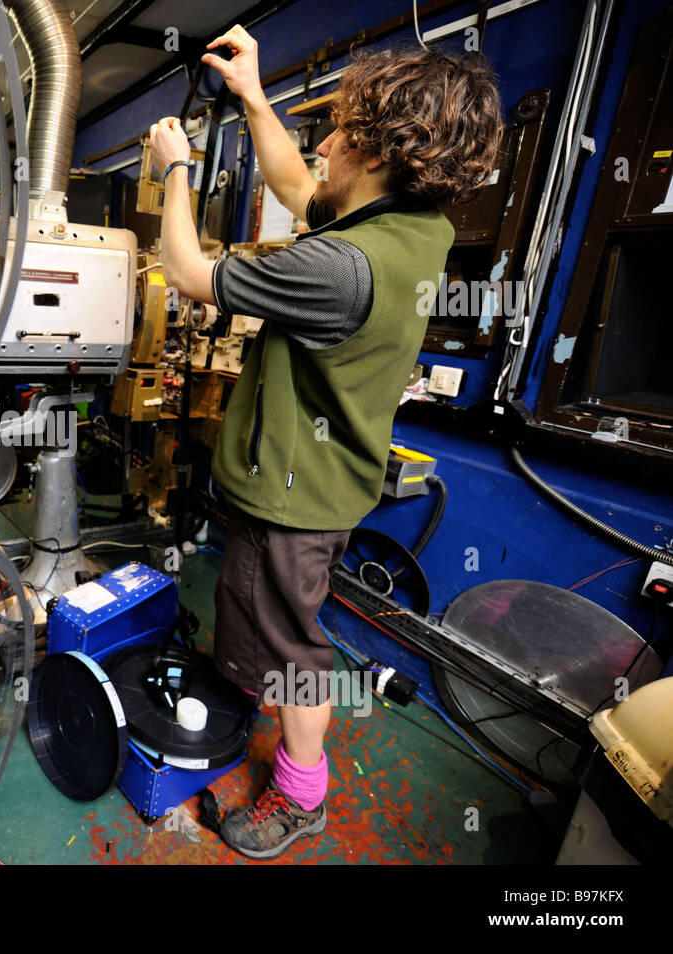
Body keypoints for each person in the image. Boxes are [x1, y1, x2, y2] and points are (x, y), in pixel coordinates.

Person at [147, 26, 503, 859]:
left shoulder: (340, 267)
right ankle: (273, 717)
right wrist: (254, 95)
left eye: (343, 131)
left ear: (377, 153)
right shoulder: (415, 227)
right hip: (327, 479)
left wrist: (175, 172)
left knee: (290, 649)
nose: (326, 142)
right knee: (275, 623)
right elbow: (296, 181)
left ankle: (302, 794)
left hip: (294, 495)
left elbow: (191, 275)